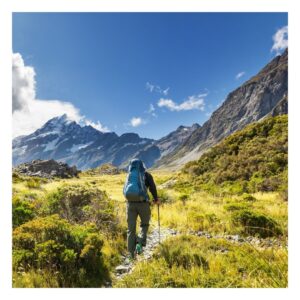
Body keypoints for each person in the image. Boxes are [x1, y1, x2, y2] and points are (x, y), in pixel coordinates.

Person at [123, 158, 159, 259]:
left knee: (131, 229)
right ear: (142, 165)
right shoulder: (146, 175)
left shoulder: (129, 176)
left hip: (130, 204)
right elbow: (152, 188)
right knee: (144, 224)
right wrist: (156, 199)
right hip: (143, 204)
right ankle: (140, 242)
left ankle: (131, 254)